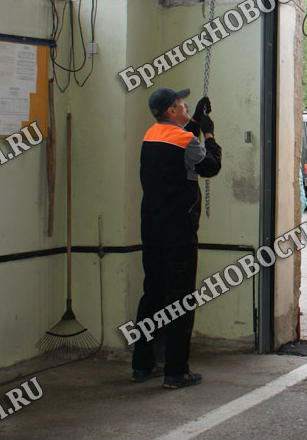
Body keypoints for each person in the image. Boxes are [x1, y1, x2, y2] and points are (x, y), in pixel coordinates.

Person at [131, 87, 221, 389]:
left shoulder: (151, 135)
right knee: (181, 301)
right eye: (180, 103)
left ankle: (142, 365)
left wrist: (194, 117)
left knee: (152, 296)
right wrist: (208, 134)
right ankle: (176, 371)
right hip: (179, 234)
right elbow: (210, 166)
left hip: (152, 231)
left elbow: (178, 146)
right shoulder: (186, 140)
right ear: (171, 111)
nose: (183, 104)